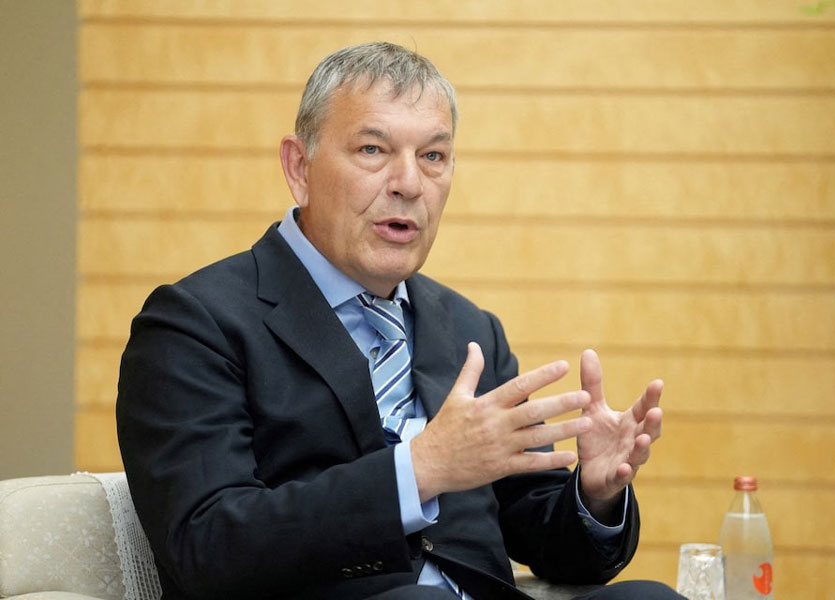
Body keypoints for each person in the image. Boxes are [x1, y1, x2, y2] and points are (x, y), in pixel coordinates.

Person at [116, 42, 684, 600]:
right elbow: (207, 545)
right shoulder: (195, 324)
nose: (409, 183)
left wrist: (594, 494)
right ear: (299, 167)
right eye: (372, 150)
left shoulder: (468, 329)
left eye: (433, 157)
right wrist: (417, 471)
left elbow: (545, 538)